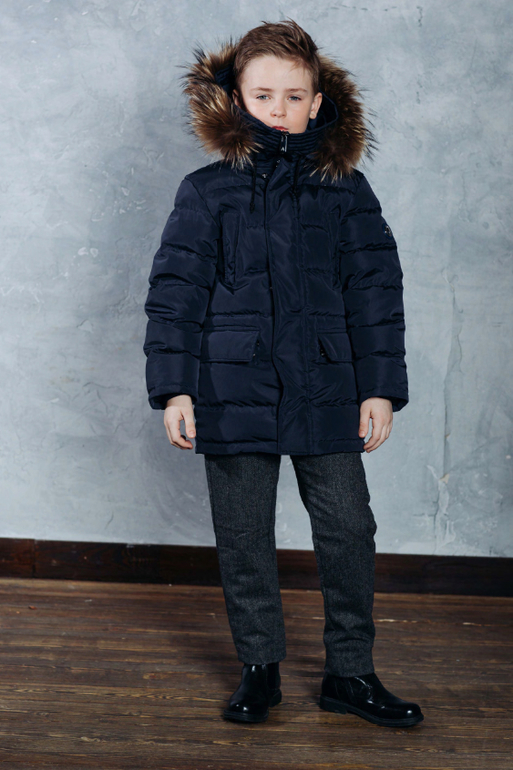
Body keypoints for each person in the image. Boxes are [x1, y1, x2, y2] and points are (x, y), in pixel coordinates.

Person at [143, 19, 424, 728]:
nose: (278, 109)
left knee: (348, 529)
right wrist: (175, 388)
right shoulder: (206, 191)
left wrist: (379, 388)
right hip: (231, 388)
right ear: (236, 99)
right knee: (243, 535)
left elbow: (374, 292)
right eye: (263, 95)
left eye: (294, 96)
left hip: (328, 387)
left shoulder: (345, 190)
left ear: (317, 103)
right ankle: (258, 667)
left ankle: (350, 673)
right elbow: (176, 293)